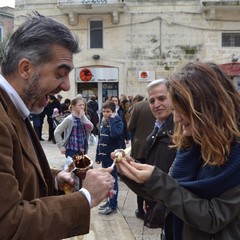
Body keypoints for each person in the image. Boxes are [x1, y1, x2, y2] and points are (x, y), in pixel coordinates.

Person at [0, 13, 114, 239]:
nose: (66, 85)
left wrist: (54, 178)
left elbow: (16, 175)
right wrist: (86, 197)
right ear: (25, 69)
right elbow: (7, 224)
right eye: (60, 74)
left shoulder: (14, 107)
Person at [114, 61, 240, 240]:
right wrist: (129, 170)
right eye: (174, 110)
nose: (177, 119)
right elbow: (171, 191)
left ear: (208, 107)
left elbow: (213, 217)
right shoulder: (192, 144)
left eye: (182, 110)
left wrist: (156, 179)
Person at [143, 79, 176, 229]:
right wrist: (149, 198)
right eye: (152, 100)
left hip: (171, 206)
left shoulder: (181, 129)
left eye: (162, 98)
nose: (156, 105)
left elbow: (176, 177)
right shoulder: (158, 126)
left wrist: (160, 207)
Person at [128, 98, 155, 220]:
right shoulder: (165, 105)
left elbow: (130, 126)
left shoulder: (138, 106)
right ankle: (153, 210)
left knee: (140, 179)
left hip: (140, 148)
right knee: (155, 178)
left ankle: (141, 211)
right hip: (156, 148)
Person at [96, 101, 124, 215]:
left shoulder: (118, 121)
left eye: (108, 112)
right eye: (103, 111)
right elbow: (100, 140)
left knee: (112, 182)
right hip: (104, 157)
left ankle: (113, 204)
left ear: (113, 112)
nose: (105, 114)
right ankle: (109, 201)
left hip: (113, 158)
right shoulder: (102, 122)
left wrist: (112, 119)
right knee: (107, 181)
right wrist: (98, 155)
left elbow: (115, 134)